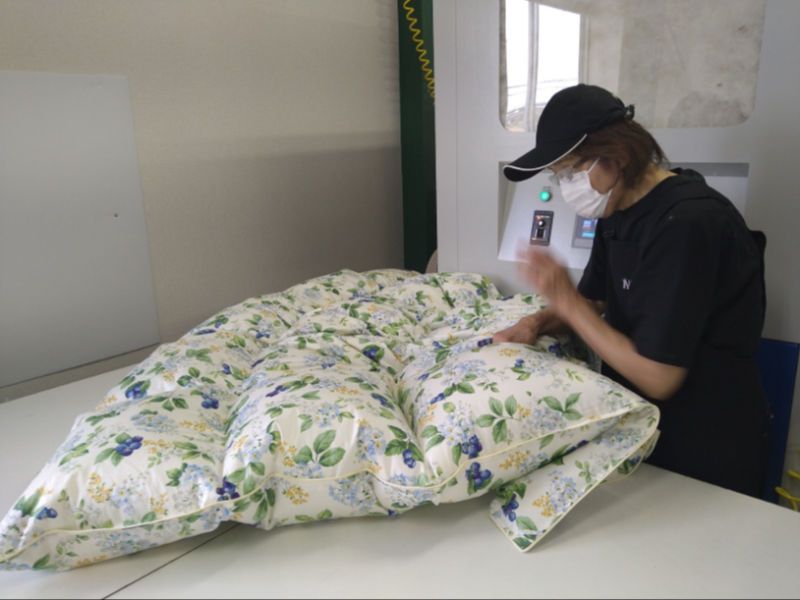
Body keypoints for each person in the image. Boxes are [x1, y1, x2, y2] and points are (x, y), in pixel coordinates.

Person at [495, 84, 770, 497]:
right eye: (558, 176)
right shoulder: (618, 210)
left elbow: (660, 377)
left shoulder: (687, 224)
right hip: (644, 426)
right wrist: (536, 323)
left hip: (706, 444)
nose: (566, 186)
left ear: (618, 155)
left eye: (571, 171)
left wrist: (565, 299)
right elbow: (594, 300)